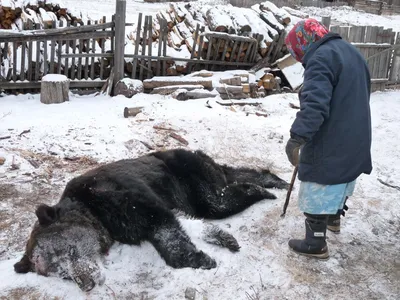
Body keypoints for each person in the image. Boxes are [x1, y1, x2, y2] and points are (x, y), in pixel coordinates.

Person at [284, 18, 372, 259]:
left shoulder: (321, 59)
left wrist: (297, 138)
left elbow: (314, 106)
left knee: (319, 177)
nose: (300, 59)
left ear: (303, 44)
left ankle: (315, 243)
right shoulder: (350, 51)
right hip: (356, 132)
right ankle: (333, 220)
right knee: (342, 176)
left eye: (297, 52)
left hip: (333, 134)